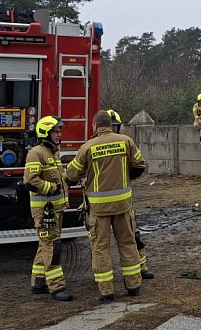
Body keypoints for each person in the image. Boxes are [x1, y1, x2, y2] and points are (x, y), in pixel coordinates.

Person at [66, 110, 147, 302]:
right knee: (128, 244)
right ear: (111, 125)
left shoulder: (88, 147)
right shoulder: (126, 141)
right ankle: (134, 286)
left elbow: (71, 175)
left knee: (101, 248)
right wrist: (125, 178)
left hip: (99, 210)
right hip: (123, 206)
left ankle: (107, 291)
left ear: (95, 126)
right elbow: (140, 165)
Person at [23, 115, 73, 301]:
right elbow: (30, 181)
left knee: (44, 245)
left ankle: (38, 282)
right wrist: (51, 188)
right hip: (45, 211)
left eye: (60, 131)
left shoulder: (53, 152)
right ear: (45, 133)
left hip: (55, 209)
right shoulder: (36, 153)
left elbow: (59, 177)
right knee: (52, 246)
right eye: (56, 131)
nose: (59, 134)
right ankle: (57, 287)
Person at [105, 109, 154, 280]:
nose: (112, 130)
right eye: (109, 127)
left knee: (133, 236)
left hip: (123, 201)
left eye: (115, 127)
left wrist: (126, 177)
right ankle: (102, 276)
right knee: (99, 244)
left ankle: (142, 266)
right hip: (99, 203)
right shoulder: (93, 144)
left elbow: (140, 165)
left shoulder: (126, 143)